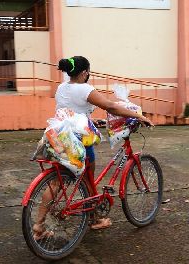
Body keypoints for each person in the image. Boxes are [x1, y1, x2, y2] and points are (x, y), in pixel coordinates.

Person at [33, 56, 153, 239]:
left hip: (59, 137)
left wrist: (90, 120)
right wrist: (139, 116)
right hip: (78, 142)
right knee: (88, 179)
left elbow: (71, 111)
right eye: (88, 72)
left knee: (56, 182)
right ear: (84, 73)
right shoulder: (85, 89)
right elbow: (111, 106)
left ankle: (38, 227)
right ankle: (95, 219)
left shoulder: (62, 87)